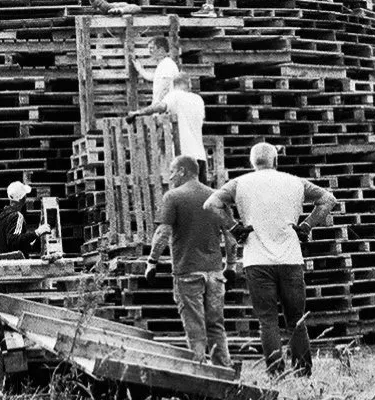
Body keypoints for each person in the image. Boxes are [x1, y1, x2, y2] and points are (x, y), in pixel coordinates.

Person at [205, 142, 338, 376]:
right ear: (276, 160)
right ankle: (303, 371)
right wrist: (307, 225)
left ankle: (276, 372)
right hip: (290, 259)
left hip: (257, 260)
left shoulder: (240, 183)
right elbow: (328, 199)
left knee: (267, 320)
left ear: (252, 162)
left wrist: (234, 228)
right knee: (296, 319)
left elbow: (211, 204)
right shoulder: (295, 182)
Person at [145, 154, 232, 367]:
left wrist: (152, 262)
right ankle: (224, 371)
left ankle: (199, 371)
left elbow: (163, 233)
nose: (170, 177)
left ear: (183, 171)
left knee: (195, 327)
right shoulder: (217, 197)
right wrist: (231, 264)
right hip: (215, 273)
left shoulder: (173, 197)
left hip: (187, 272)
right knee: (216, 325)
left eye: (172, 171)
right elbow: (231, 237)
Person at [127, 79, 207, 180]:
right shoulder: (198, 99)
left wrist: (138, 112)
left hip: (184, 156)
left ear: (173, 85)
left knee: (183, 189)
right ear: (189, 84)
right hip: (200, 156)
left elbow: (161, 106)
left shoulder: (175, 95)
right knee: (201, 189)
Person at [0, 180, 49, 256]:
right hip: (14, 261)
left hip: (1, 261)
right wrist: (37, 232)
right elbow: (14, 242)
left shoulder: (1, 216)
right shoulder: (17, 216)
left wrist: (32, 242)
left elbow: (8, 244)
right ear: (22, 199)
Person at [136, 36, 180, 105]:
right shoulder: (163, 64)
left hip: (164, 107)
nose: (150, 51)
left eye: (152, 48)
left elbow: (165, 87)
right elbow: (153, 77)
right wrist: (140, 69)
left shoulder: (167, 64)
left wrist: (156, 106)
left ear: (161, 50)